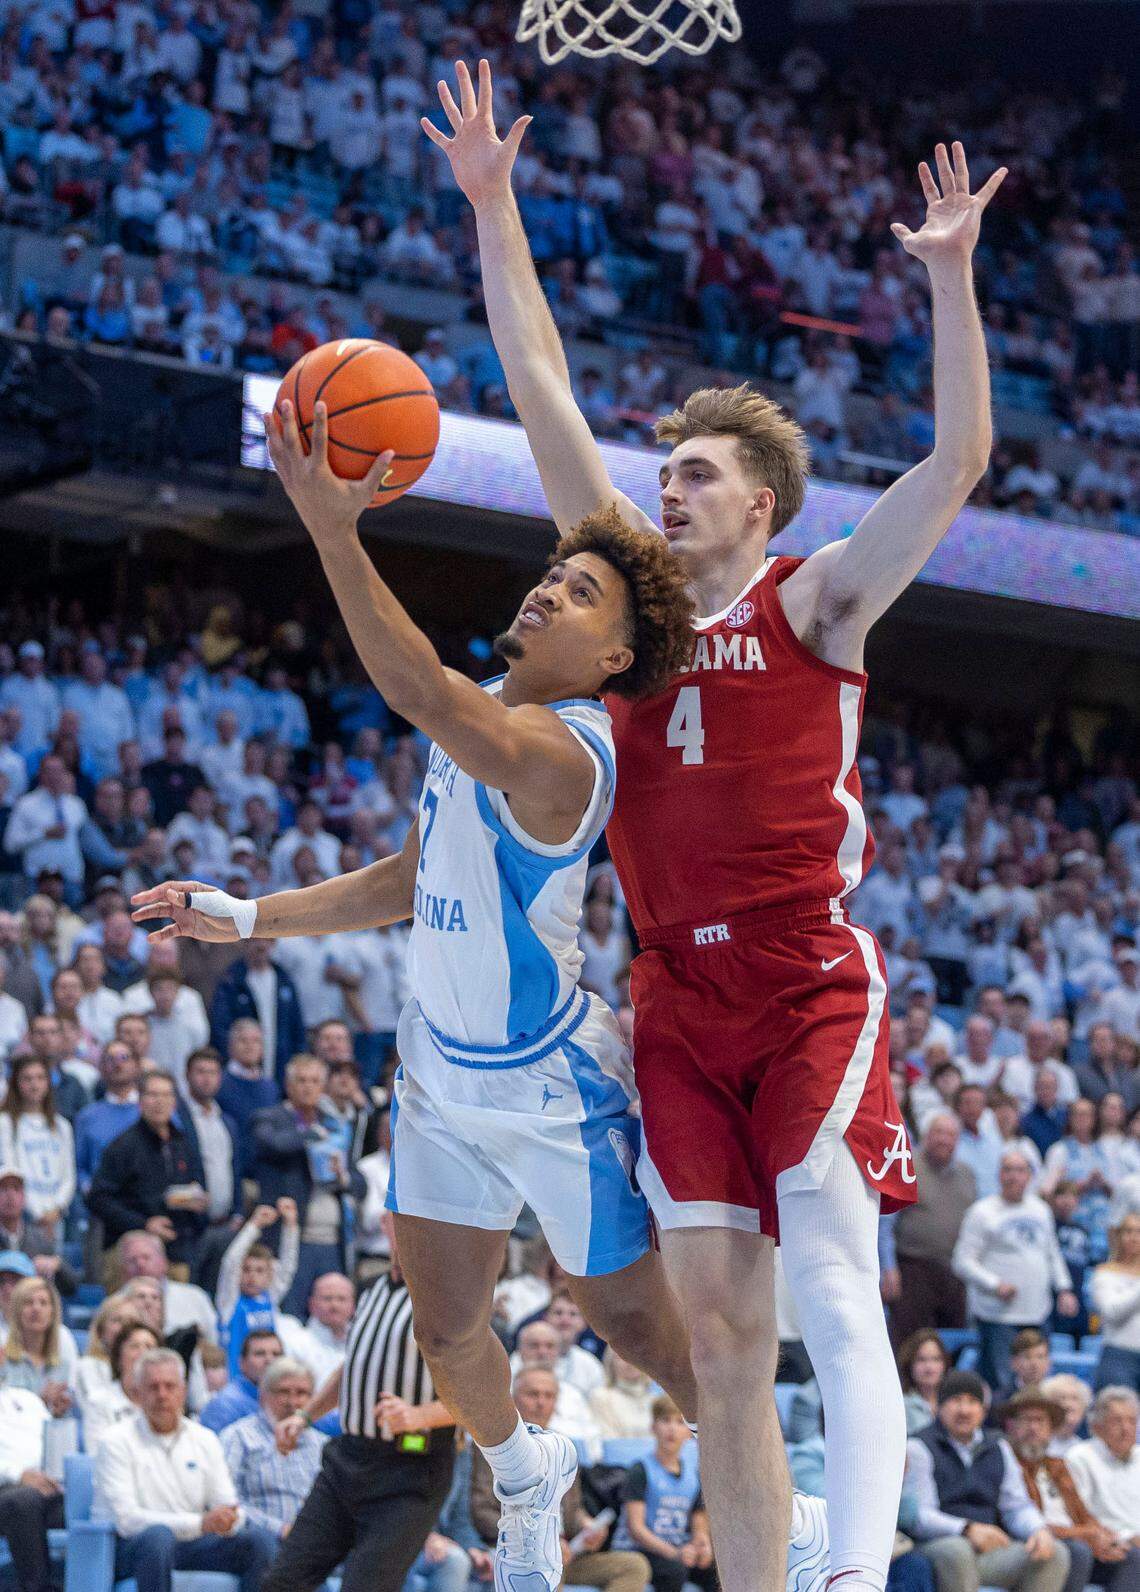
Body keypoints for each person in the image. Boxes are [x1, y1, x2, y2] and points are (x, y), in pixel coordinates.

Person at [432, 56, 1006, 1592]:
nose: (664, 491)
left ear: (764, 502)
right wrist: (496, 207)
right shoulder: (635, 611)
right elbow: (540, 379)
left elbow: (956, 463)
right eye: (665, 473)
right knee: (726, 1338)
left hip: (804, 973)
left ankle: (858, 1570)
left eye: (694, 475)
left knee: (828, 1274)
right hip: (674, 999)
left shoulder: (821, 596)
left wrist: (948, 281)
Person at [130, 342, 720, 1592]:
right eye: (555, 575)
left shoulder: (570, 753)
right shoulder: (487, 725)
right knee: (446, 1324)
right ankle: (523, 1473)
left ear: (616, 658)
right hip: (441, 1072)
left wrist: (332, 528)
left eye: (584, 597)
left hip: (551, 1077)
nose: (554, 592)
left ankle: (760, 1460)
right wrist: (246, 914)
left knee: (627, 1322)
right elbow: (413, 875)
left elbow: (418, 691)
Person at [264, 1220, 458, 1592]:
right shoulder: (369, 1289)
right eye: (401, 1219)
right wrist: (306, 1416)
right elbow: (355, 1364)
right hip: (347, 1461)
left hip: (411, 1470)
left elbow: (483, 1389)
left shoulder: (449, 1297)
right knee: (283, 1581)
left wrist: (419, 1414)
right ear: (387, 1226)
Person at [93, 1347, 278, 1592]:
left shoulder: (205, 1439)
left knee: (259, 1540)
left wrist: (227, 1519)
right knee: (158, 1537)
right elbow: (128, 1521)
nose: (162, 1395)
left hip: (195, 1545)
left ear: (184, 1390)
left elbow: (227, 1504)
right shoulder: (115, 1441)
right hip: (137, 1549)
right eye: (153, 1387)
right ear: (138, 1394)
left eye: (170, 1386)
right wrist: (201, 1523)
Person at [471, 1365, 652, 1592]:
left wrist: (587, 1525)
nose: (541, 1402)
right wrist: (541, 1542)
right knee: (544, 1567)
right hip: (518, 1550)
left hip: (566, 1551)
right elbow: (481, 1511)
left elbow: (572, 1510)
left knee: (634, 1566)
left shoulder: (563, 1446)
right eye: (533, 1394)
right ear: (514, 1399)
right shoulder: (495, 1447)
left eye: (549, 1396)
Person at [904, 1369, 1070, 1592]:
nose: (964, 1409)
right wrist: (967, 1529)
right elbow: (919, 1516)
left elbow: (1017, 1506)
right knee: (957, 1551)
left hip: (988, 1551)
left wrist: (1038, 1530)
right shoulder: (919, 1447)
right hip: (937, 1546)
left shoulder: (999, 1447)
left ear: (983, 1411)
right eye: (956, 1400)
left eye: (972, 1401)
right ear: (939, 1407)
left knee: (1054, 1553)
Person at [952, 1151, 1078, 1390]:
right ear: (999, 1175)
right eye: (1008, 1169)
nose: (1014, 1176)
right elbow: (962, 1261)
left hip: (1037, 1313)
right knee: (1004, 1385)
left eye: (1021, 1170)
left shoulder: (1040, 1210)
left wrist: (1064, 1289)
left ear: (1030, 1176)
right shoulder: (982, 1212)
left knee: (1037, 1383)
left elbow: (1052, 1253)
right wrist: (994, 1284)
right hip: (998, 1317)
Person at [250, 1055, 362, 1313]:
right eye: (301, 1080)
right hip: (291, 1239)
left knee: (334, 1315)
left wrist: (342, 1175)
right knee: (291, 1313)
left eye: (314, 1081)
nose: (308, 1087)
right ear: (288, 1086)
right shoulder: (269, 1118)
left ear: (323, 1087)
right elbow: (275, 1144)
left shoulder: (334, 1126)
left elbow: (360, 1183)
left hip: (334, 1242)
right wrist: (312, 1134)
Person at [1002, 1387, 1140, 1592]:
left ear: (1051, 1429)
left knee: (1132, 1556)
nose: (1034, 1428)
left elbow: (1082, 1513)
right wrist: (1087, 1534)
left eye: (1041, 1421)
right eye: (1026, 1420)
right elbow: (1027, 1518)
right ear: (1011, 1426)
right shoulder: (1006, 1463)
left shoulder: (1056, 1466)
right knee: (1078, 1552)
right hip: (1037, 1541)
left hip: (1079, 1541)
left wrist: (1104, 1536)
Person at [88, 1071, 208, 1274]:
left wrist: (198, 1201)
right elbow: (98, 1199)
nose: (159, 1102)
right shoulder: (122, 1146)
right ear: (140, 1101)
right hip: (131, 1252)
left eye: (166, 1095)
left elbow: (198, 1186)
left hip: (178, 1248)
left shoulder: (184, 1143)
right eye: (152, 1095)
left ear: (175, 1102)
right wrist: (144, 1224)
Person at [609, 1395, 715, 1592]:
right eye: (665, 1420)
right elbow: (636, 1529)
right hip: (639, 1550)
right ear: (653, 1427)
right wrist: (675, 1553)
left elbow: (699, 1517)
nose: (672, 1429)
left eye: (679, 1422)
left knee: (715, 1570)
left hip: (676, 1549)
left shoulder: (693, 1474)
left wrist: (702, 1543)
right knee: (674, 1570)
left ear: (689, 1432)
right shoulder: (640, 1470)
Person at [220, 1357, 326, 1543]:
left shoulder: (323, 1445)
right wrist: (280, 1529)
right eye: (283, 1392)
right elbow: (226, 1503)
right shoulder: (239, 1437)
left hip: (316, 1544)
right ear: (263, 1396)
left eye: (302, 1393)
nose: (293, 1402)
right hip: (262, 1540)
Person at [890, 1114, 976, 1343]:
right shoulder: (907, 1167)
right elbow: (886, 1224)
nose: (944, 1140)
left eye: (951, 1135)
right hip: (912, 1270)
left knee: (953, 1343)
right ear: (927, 1136)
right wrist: (888, 1268)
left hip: (954, 1272)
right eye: (939, 1133)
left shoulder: (967, 1176)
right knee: (910, 1342)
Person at [216, 1202, 300, 1377]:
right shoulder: (229, 1303)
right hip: (237, 1381)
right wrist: (254, 1225)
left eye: (260, 1270)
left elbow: (288, 1267)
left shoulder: (271, 1299)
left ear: (269, 1275)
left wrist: (290, 1226)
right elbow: (230, 1263)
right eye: (246, 1270)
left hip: (269, 1383)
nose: (252, 1276)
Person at [0, 1057, 76, 1242]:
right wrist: (36, 1211)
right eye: (27, 1079)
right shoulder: (6, 1123)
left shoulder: (62, 1126)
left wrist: (57, 1208)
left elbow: (68, 1174)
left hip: (56, 1214)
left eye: (40, 1078)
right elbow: (10, 1170)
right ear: (16, 1083)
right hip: (22, 1214)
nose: (34, 1084)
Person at [0, 1382, 62, 1592]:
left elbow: (55, 1441)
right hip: (7, 1488)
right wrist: (18, 1475)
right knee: (22, 1501)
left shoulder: (28, 1399)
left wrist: (56, 1476)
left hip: (45, 1487)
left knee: (85, 1503)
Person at [1067, 1389, 1140, 1548]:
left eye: (1132, 1421)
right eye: (1117, 1421)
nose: (1126, 1429)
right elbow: (1079, 1515)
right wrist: (1125, 1536)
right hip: (1110, 1542)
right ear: (1097, 1426)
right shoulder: (1080, 1458)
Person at [82, 1318, 161, 1452]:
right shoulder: (99, 1402)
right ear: (118, 1357)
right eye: (134, 1346)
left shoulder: (164, 1401)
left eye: (149, 1346)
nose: (143, 1353)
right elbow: (97, 1454)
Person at [3, 1276, 78, 1413]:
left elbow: (63, 1415)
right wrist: (40, 1399)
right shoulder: (3, 1359)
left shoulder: (62, 1364)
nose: (36, 1308)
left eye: (43, 1303)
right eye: (28, 1303)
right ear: (17, 1311)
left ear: (52, 1312)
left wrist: (60, 1410)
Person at [0, 1166, 78, 1295]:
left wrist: (57, 1264)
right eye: (3, 1189)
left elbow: (72, 1286)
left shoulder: (39, 1239)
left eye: (16, 1189)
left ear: (24, 1197)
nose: (10, 1196)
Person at [200, 1329, 283, 1434]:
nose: (269, 1360)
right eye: (260, 1354)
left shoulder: (292, 1398)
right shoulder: (224, 1405)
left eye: (276, 1354)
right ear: (242, 1363)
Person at [590, 1349, 657, 1439]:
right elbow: (609, 1440)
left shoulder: (655, 1400)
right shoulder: (601, 1397)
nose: (629, 1361)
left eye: (636, 1355)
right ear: (611, 1363)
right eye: (621, 1356)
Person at [897, 1331, 951, 1435]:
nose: (929, 1367)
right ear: (909, 1364)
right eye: (921, 1360)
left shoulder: (954, 1401)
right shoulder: (900, 1405)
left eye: (936, 1359)